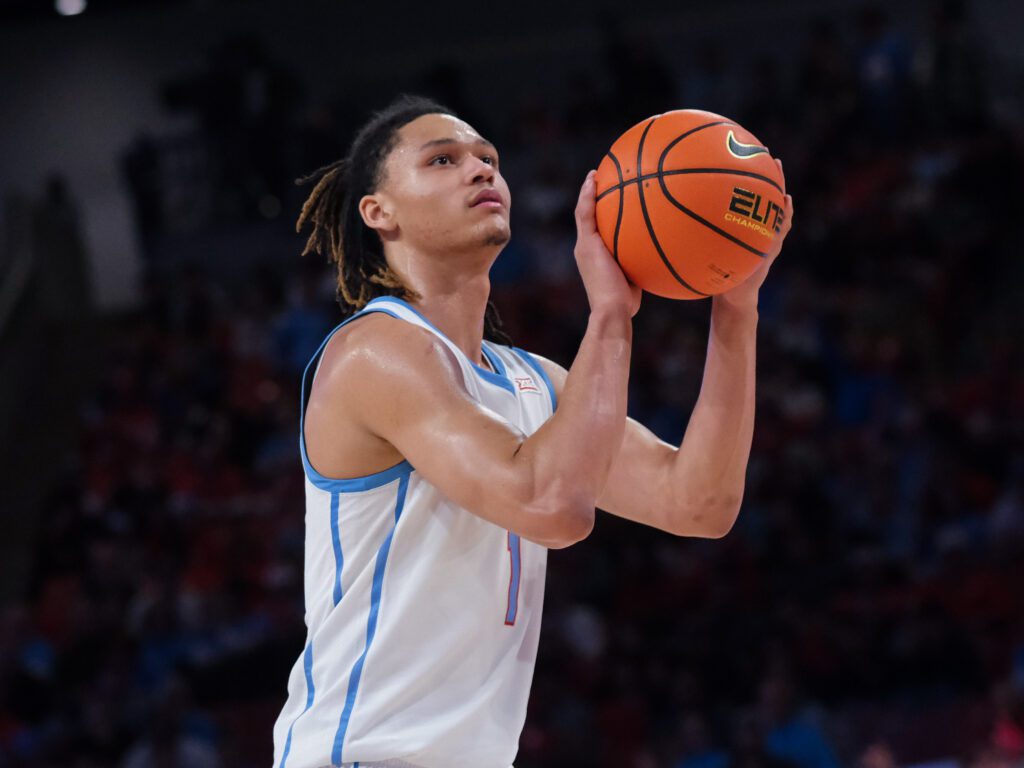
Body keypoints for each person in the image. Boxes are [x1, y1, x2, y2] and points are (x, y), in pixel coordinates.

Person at [271, 94, 794, 768]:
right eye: (442, 160)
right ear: (380, 212)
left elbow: (698, 502)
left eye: (488, 158)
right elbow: (550, 505)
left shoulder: (531, 382)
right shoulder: (373, 352)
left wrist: (736, 307)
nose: (481, 169)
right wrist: (610, 317)